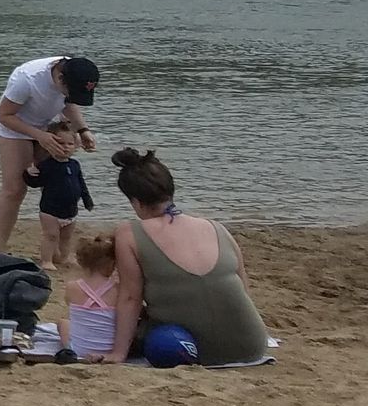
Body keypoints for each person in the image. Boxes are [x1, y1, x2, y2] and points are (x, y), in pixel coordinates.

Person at [98, 146, 269, 366]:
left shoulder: (128, 234)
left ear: (135, 202)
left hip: (187, 349)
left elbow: (130, 297)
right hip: (251, 344)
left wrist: (118, 353)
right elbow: (242, 286)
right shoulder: (215, 227)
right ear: (171, 190)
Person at [0, 55, 99, 248]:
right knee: (15, 189)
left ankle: (55, 248)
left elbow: (69, 103)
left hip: (48, 124)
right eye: (71, 91)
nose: (71, 95)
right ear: (59, 79)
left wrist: (83, 130)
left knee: (58, 185)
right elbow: (5, 115)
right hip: (14, 126)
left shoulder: (75, 70)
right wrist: (39, 137)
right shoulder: (27, 79)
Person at [27, 118, 93, 269]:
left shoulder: (75, 165)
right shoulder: (47, 165)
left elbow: (81, 184)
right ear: (50, 144)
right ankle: (46, 260)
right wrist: (29, 174)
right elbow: (35, 183)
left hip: (71, 210)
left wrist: (87, 199)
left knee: (66, 237)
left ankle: (63, 258)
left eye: (69, 144)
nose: (65, 147)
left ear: (75, 146)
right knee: (51, 236)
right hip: (50, 210)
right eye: (61, 144)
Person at [65, 233, 120, 362]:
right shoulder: (118, 289)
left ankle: (67, 348)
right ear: (112, 263)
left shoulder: (72, 287)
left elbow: (69, 305)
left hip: (80, 349)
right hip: (109, 349)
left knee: (63, 323)